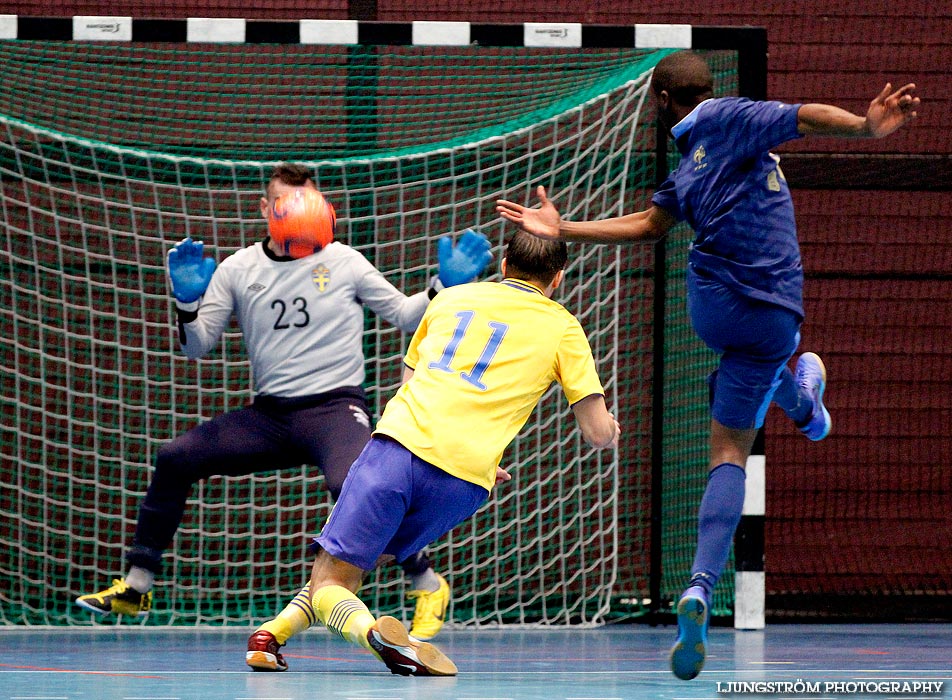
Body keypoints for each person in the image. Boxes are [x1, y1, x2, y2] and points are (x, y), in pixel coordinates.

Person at [496, 51, 919, 681]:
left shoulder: (691, 162)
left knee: (748, 378)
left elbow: (647, 226)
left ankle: (806, 408)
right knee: (731, 449)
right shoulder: (735, 119)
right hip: (770, 308)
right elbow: (805, 115)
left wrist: (563, 229)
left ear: (663, 100)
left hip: (712, 308)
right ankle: (704, 577)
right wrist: (865, 127)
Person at [75, 163, 493, 666]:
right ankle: (137, 586)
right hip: (271, 415)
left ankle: (425, 582)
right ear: (266, 207)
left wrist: (441, 286)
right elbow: (196, 345)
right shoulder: (238, 267)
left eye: (306, 199)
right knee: (176, 456)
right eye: (286, 199)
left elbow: (406, 315)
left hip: (335, 407)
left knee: (359, 480)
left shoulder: (344, 261)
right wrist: (186, 301)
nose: (297, 208)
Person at [286, 231, 619, 676]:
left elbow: (410, 377)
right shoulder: (564, 327)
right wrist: (610, 430)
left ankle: (375, 637)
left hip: (401, 448)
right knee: (357, 565)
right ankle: (270, 637)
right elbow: (597, 433)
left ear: (503, 265)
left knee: (332, 577)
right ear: (557, 279)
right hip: (463, 480)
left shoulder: (450, 298)